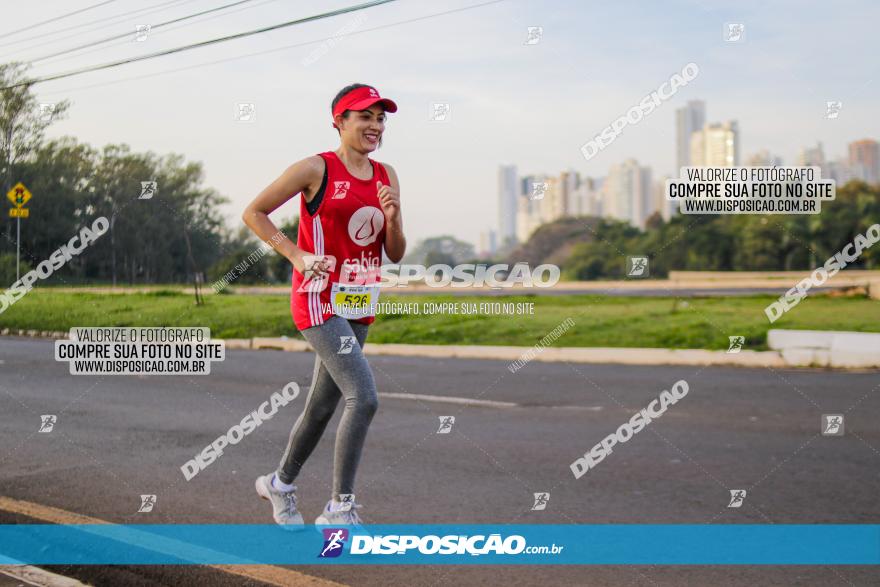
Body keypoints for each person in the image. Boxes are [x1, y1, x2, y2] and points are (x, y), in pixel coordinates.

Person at [242, 83, 405, 527]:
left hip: (360, 299)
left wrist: (392, 219)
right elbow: (254, 212)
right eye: (364, 117)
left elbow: (396, 252)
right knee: (364, 398)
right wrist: (295, 255)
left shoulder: (386, 175)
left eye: (380, 118)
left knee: (322, 405)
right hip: (318, 301)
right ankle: (340, 507)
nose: (375, 126)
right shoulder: (315, 168)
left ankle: (279, 484)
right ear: (339, 121)